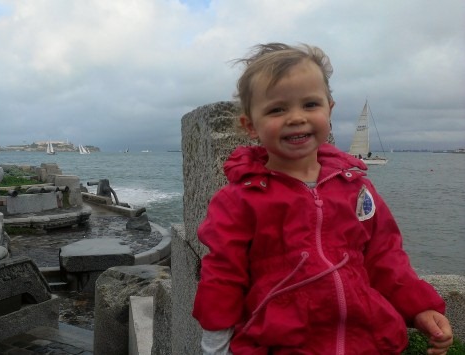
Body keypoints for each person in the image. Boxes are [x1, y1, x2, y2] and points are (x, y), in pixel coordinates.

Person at [192, 43, 453, 354]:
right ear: (250, 125)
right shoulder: (239, 200)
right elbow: (222, 275)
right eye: (277, 109)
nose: (296, 118)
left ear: (330, 108)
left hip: (368, 340)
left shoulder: (357, 189)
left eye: (310, 104)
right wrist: (215, 342)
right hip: (281, 343)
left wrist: (419, 307)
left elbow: (385, 256)